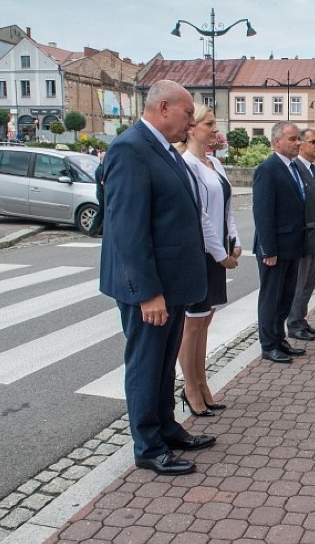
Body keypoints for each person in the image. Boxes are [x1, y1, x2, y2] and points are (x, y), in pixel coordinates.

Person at [100, 79, 216, 476]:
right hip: (149, 287)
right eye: (187, 113)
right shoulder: (129, 148)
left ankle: (167, 427)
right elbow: (127, 228)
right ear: (164, 107)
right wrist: (148, 292)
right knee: (147, 365)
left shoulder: (163, 148)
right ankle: (148, 446)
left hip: (173, 283)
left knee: (165, 364)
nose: (190, 121)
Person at [175, 105, 241, 416]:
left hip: (220, 248)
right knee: (192, 324)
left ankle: (202, 382)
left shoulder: (214, 162)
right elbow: (200, 215)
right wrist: (220, 255)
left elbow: (227, 206)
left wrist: (236, 241)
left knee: (206, 321)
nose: (215, 129)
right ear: (191, 128)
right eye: (209, 123)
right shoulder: (187, 164)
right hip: (201, 253)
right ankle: (190, 386)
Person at [253, 121, 308, 364]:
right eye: (293, 139)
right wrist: (268, 249)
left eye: (299, 138)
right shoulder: (268, 168)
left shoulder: (293, 168)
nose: (299, 143)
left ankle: (279, 339)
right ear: (277, 142)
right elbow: (263, 212)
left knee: (285, 297)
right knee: (271, 298)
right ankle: (268, 345)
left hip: (292, 246)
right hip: (274, 248)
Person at [286, 128, 315, 342]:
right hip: (303, 238)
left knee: (310, 283)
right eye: (313, 141)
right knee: (299, 283)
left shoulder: (314, 170)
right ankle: (293, 323)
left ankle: (301, 319)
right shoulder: (295, 169)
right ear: (301, 144)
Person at [87, 150, 106, 237]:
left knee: (102, 213)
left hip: (102, 194)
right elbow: (103, 183)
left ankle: (99, 230)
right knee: (101, 213)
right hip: (101, 194)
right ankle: (93, 231)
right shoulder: (100, 170)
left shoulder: (102, 168)